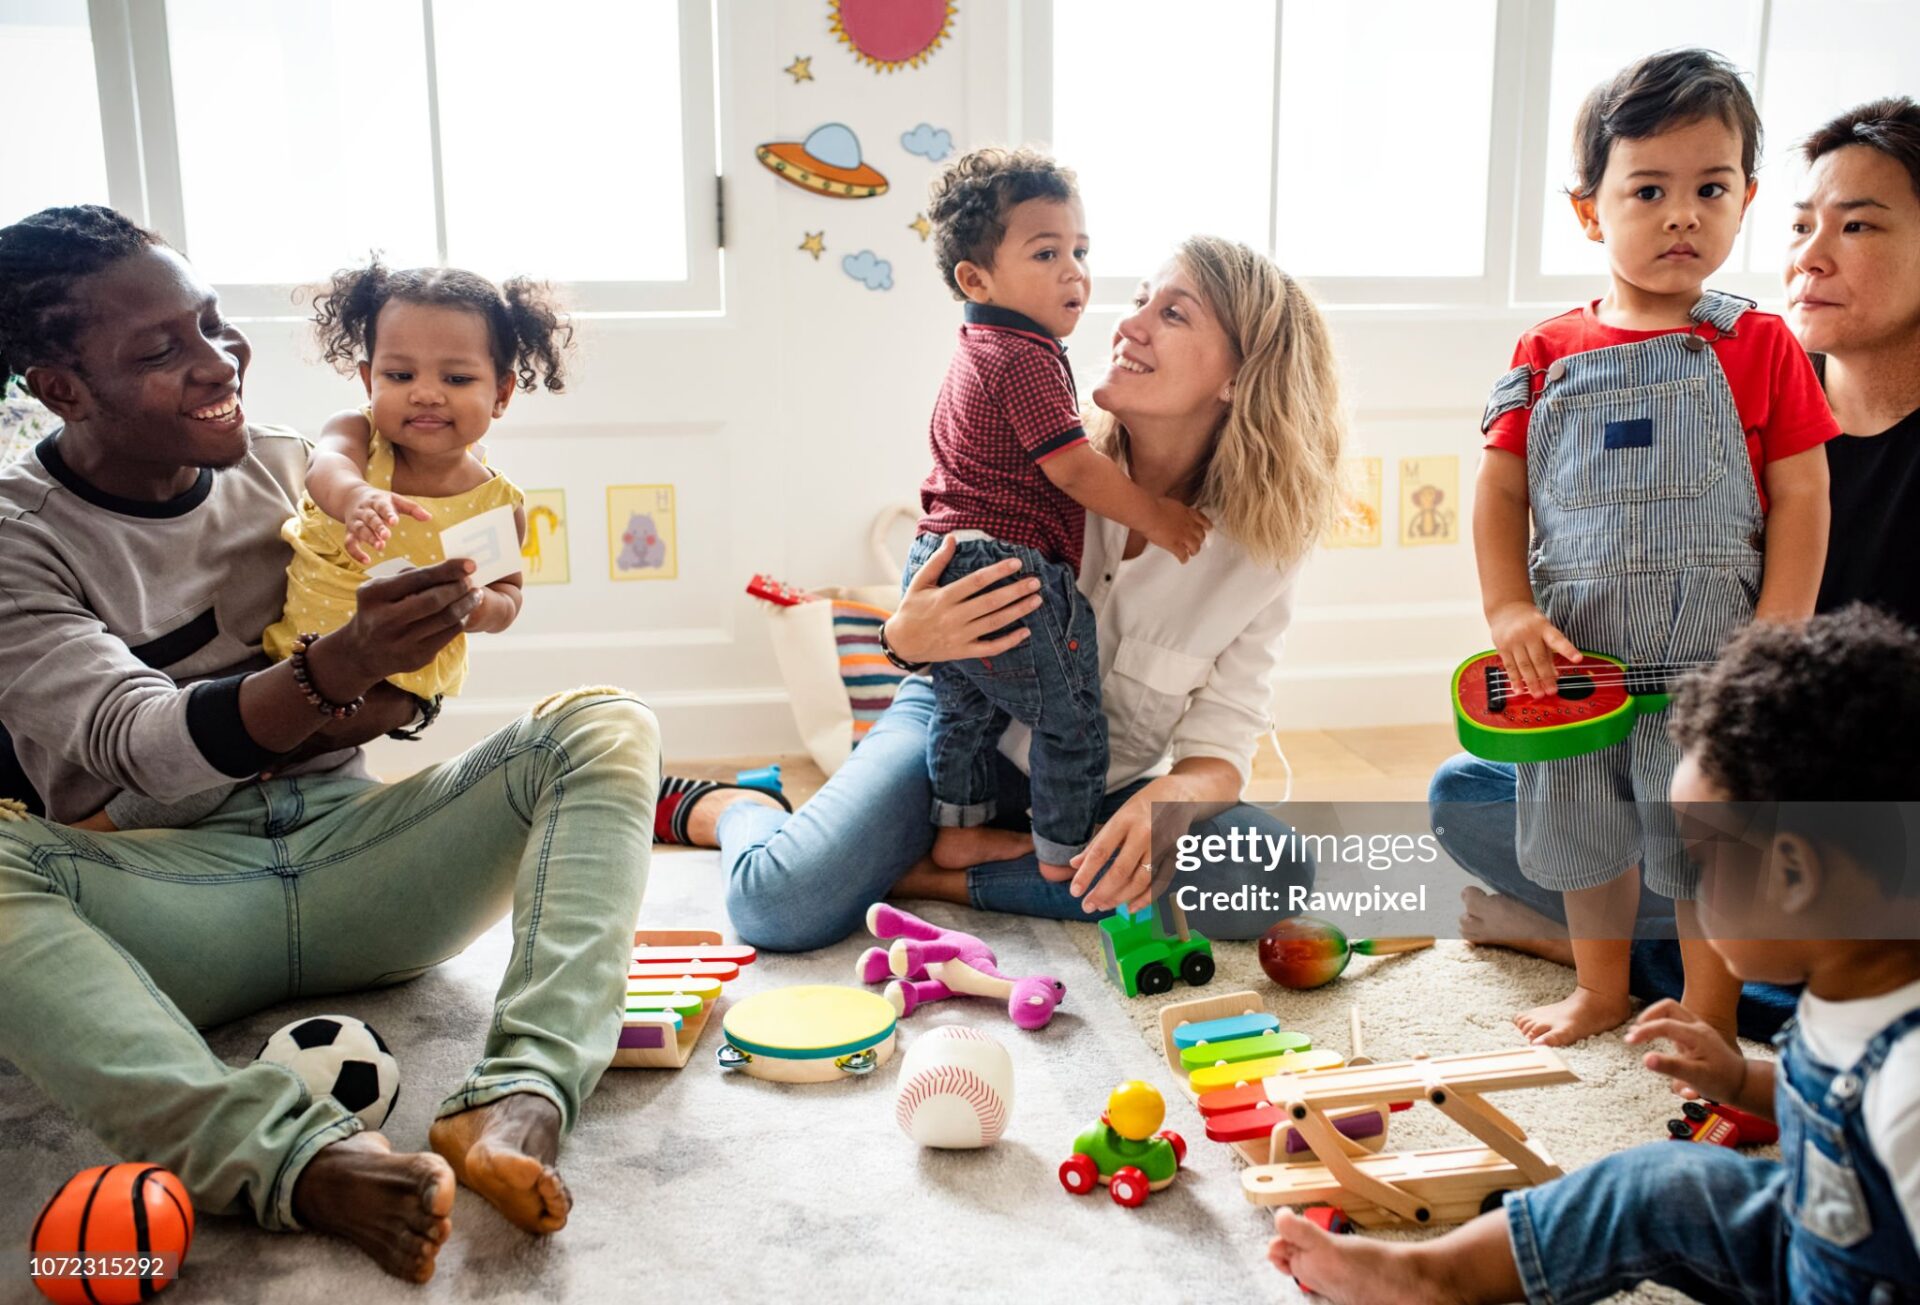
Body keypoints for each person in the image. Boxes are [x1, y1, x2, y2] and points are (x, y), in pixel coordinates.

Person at [0, 206, 658, 1282]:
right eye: (163, 350)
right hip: (170, 894)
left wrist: (429, 647)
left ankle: (521, 1096)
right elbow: (144, 747)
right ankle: (290, 1161)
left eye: (213, 324)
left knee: (602, 723)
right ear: (62, 387)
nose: (220, 363)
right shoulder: (17, 536)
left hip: (358, 855)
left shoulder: (288, 469)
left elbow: (417, 688)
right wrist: (340, 670)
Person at [667, 234, 1344, 948]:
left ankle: (933, 878)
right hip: (957, 733)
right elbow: (916, 615)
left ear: (1239, 376)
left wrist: (1164, 802)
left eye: (1173, 315)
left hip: (1096, 786)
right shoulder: (1043, 453)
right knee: (779, 905)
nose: (1128, 324)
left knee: (1269, 869)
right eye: (1141, 298)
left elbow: (1221, 749)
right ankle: (735, 805)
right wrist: (903, 638)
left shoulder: (1263, 549)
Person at [1436, 95, 1920, 1042]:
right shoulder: (1550, 352)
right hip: (1603, 685)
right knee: (1492, 797)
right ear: (1591, 209)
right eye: (1802, 222)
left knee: (1709, 846)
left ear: (1735, 198)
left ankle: (1711, 992)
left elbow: (1803, 507)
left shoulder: (1757, 350)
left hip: (1769, 736)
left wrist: (1770, 641)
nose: (1681, 216)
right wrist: (1510, 609)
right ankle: (1610, 973)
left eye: (1857, 224)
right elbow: (1500, 492)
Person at [1269, 608, 1920, 1304]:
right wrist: (1737, 1079)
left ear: (1794, 876)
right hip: (1809, 1232)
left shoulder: (1908, 1086)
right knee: (1654, 1184)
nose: (1684, 888)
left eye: (1699, 861)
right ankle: (1435, 1276)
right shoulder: (1847, 984)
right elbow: (1815, 1098)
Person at [905, 146, 1209, 883]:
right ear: (975, 279)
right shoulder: (1024, 354)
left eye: (1080, 249)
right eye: (1046, 252)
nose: (1073, 270)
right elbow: (1071, 466)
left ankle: (959, 830)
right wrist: (1160, 518)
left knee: (966, 710)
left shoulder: (979, 346)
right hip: (999, 562)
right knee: (1071, 715)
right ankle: (1066, 853)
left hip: (941, 552)